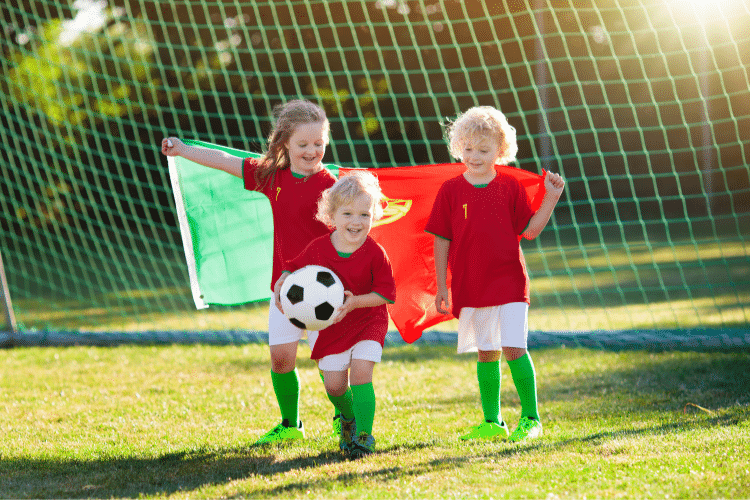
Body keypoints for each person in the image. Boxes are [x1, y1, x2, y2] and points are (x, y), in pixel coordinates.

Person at [161, 99, 343, 445]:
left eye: (319, 143)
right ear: (285, 143)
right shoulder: (272, 177)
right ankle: (291, 424)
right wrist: (183, 150)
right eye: (303, 144)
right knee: (280, 358)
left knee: (330, 367)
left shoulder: (331, 185)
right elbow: (226, 161)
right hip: (284, 288)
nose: (312, 151)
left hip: (326, 292)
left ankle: (344, 415)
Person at [424, 106, 565, 443]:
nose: (474, 156)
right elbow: (441, 238)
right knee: (487, 351)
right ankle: (492, 421)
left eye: (483, 150)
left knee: (515, 347)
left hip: (510, 283)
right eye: (468, 149)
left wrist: (551, 197)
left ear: (500, 151)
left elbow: (529, 232)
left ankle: (531, 418)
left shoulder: (510, 186)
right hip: (471, 285)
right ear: (458, 146)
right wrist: (443, 285)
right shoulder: (450, 191)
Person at [274, 171, 396, 458]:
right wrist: (283, 278)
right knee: (334, 385)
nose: (356, 222)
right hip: (332, 328)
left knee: (362, 373)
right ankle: (348, 417)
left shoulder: (376, 253)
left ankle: (364, 436)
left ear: (374, 215)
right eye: (348, 213)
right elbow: (293, 266)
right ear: (332, 215)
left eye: (364, 214)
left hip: (368, 320)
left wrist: (355, 303)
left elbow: (386, 295)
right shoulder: (318, 248)